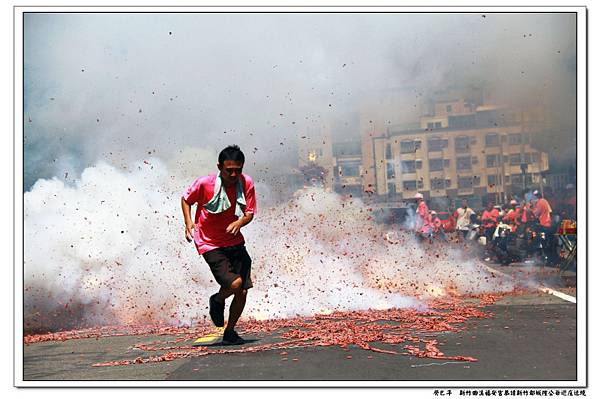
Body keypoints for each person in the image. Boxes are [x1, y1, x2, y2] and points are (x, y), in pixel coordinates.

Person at [181, 145, 257, 345]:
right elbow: (186, 199)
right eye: (229, 170)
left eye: (238, 170)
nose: (234, 174)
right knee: (234, 284)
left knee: (242, 290)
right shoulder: (205, 183)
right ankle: (217, 299)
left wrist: (239, 222)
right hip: (209, 242)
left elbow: (249, 213)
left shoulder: (246, 183)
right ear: (219, 167)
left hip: (235, 241)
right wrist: (189, 222)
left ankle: (230, 331)